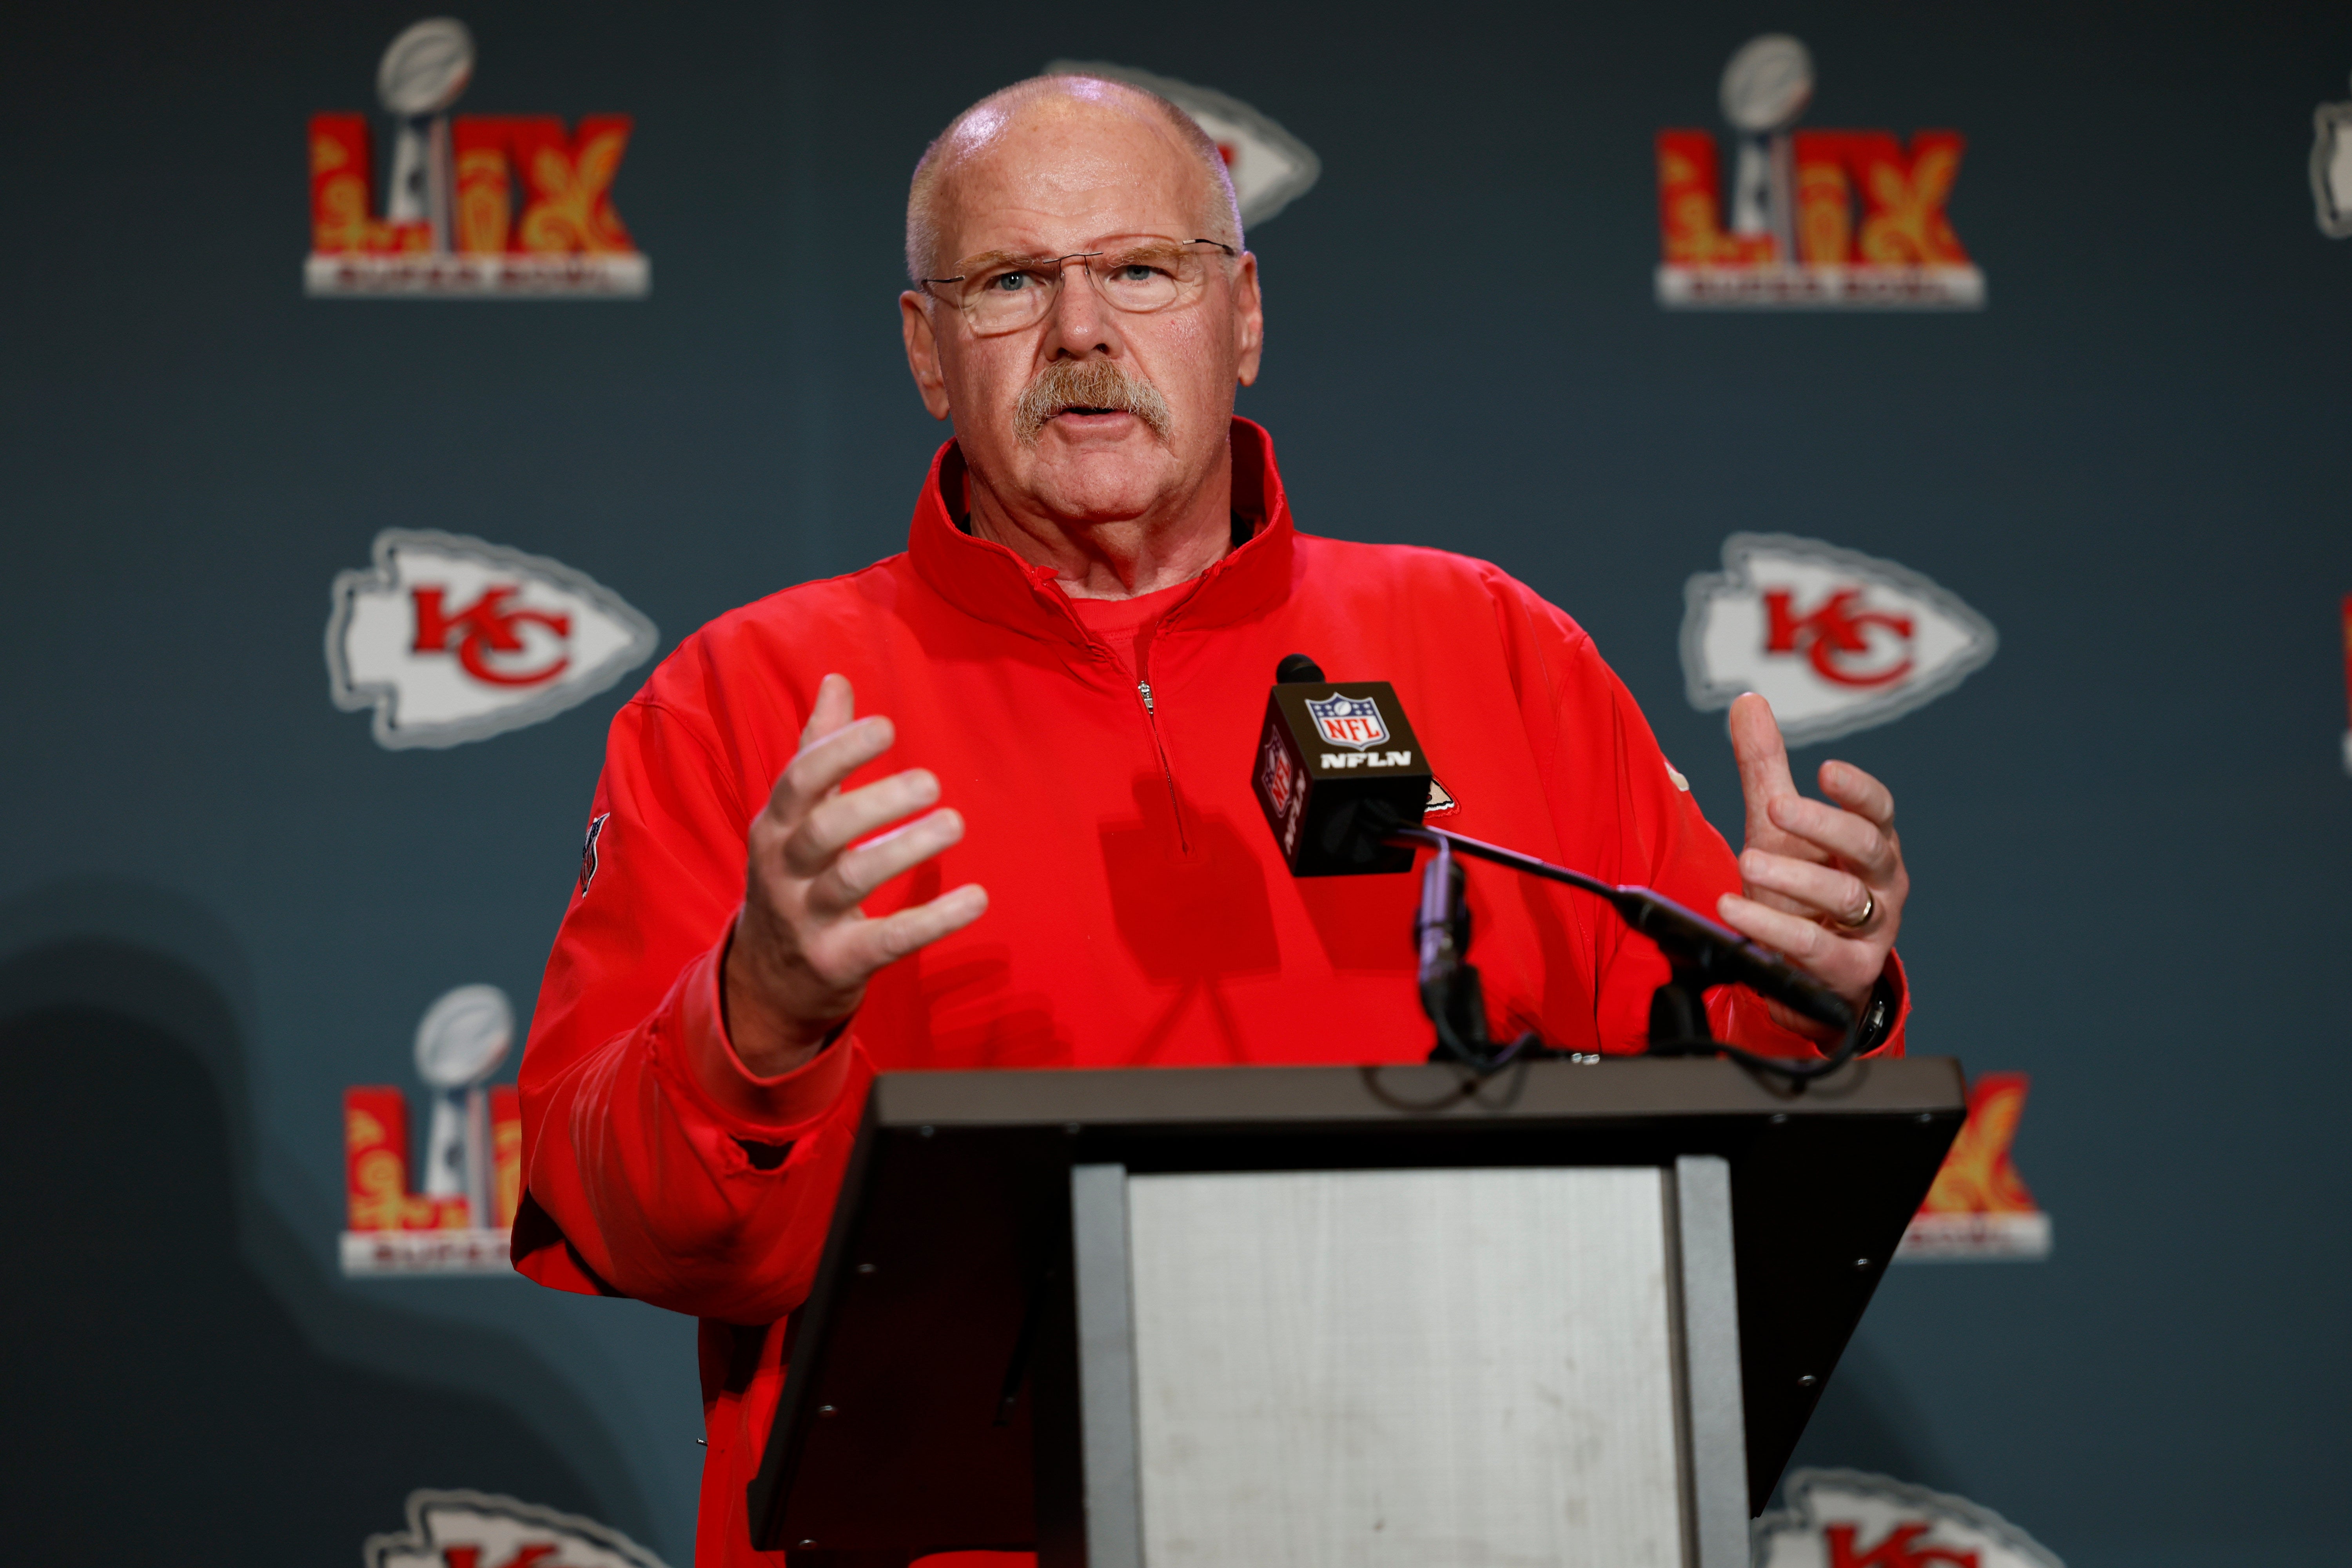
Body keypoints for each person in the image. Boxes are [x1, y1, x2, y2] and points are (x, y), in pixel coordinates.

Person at [515, 74, 1915, 1568]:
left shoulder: (1494, 648)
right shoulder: (747, 702)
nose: (1080, 334)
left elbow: (1732, 1146)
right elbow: (620, 1216)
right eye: (1009, 285)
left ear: (1241, 315)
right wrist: (760, 1018)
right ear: (928, 353)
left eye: (1138, 269)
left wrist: (1813, 995)